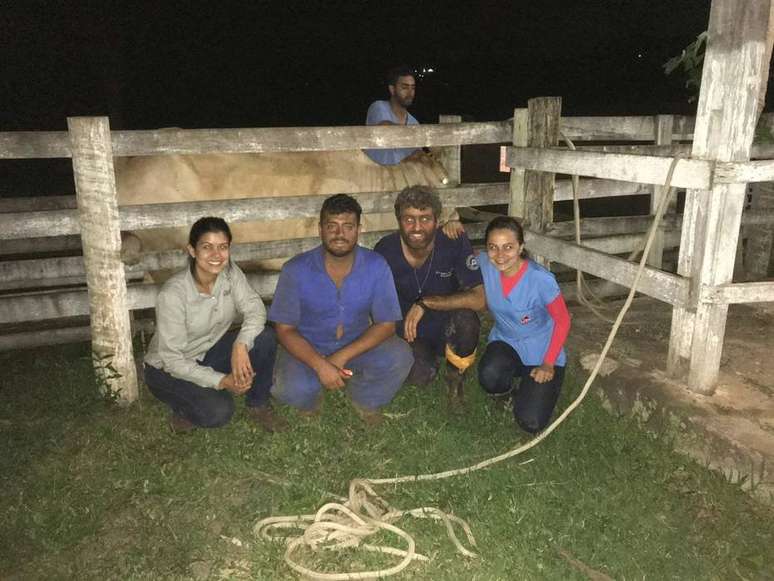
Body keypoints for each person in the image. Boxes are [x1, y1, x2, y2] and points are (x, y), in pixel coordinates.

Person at [268, 194, 413, 425]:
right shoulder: (295, 269)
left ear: (358, 230)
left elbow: (386, 324)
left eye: (348, 226)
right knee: (289, 388)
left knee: (400, 356)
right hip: (308, 347)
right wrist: (320, 364)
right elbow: (284, 329)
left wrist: (340, 357)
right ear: (320, 229)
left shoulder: (376, 266)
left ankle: (364, 399)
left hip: (355, 345)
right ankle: (311, 400)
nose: (339, 234)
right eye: (332, 226)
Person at [144, 217, 285, 433]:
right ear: (192, 250)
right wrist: (222, 381)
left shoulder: (229, 273)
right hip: (166, 369)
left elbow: (255, 309)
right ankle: (183, 408)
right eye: (207, 247)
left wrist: (241, 345)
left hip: (206, 353)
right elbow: (172, 360)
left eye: (222, 247)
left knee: (264, 337)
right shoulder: (173, 294)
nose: (216, 256)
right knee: (219, 411)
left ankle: (258, 404)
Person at [374, 186, 484, 408]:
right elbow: (376, 307)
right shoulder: (385, 250)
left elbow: (480, 298)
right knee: (420, 376)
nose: (417, 227)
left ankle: (456, 379)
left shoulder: (453, 241)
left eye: (425, 218)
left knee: (466, 319)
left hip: (446, 322)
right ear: (399, 221)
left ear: (437, 220)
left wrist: (426, 303)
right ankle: (427, 362)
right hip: (409, 330)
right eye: (409, 219)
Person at [477, 216, 571, 433]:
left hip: (543, 350)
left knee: (531, 422)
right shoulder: (485, 264)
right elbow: (463, 257)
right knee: (490, 376)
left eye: (508, 247)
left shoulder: (540, 279)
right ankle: (506, 392)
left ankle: (536, 388)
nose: (500, 256)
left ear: (521, 247)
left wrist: (548, 363)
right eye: (493, 247)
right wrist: (452, 225)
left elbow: (563, 320)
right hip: (506, 342)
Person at [364, 65, 421, 165]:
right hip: (374, 177)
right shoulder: (378, 107)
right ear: (392, 89)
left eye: (413, 88)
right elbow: (384, 127)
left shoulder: (414, 123)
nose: (410, 92)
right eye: (405, 87)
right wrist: (416, 133)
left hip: (400, 178)